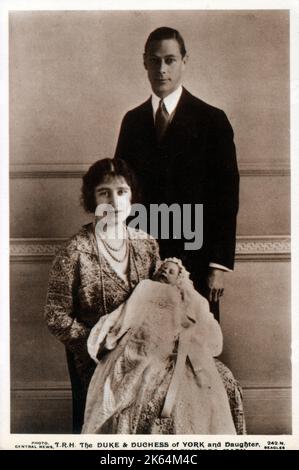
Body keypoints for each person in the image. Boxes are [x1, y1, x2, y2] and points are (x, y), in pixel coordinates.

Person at [114, 27, 240, 320]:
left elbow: (227, 197)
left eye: (170, 60)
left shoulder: (212, 120)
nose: (162, 69)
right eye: (154, 60)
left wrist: (218, 266)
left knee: (194, 350)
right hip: (143, 261)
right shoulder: (132, 122)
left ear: (185, 61)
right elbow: (121, 192)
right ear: (144, 62)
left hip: (195, 256)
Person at [44, 158, 160, 433]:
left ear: (132, 198)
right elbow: (55, 315)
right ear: (91, 199)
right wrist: (97, 343)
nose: (114, 201)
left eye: (122, 192)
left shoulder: (147, 245)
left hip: (143, 352)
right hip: (96, 357)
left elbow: (159, 301)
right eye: (103, 192)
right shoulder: (74, 251)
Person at [82, 258, 237, 434]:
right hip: (146, 330)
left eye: (171, 271)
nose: (165, 272)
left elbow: (198, 311)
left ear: (179, 278)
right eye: (163, 269)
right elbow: (130, 309)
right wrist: (114, 330)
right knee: (140, 354)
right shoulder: (146, 286)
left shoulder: (182, 292)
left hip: (172, 332)